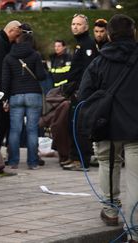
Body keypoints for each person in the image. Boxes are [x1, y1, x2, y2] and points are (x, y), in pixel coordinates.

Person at [78, 14, 138, 242]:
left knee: (107, 164)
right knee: (135, 178)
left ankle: (111, 211)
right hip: (135, 129)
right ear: (133, 32)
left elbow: (85, 95)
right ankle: (134, 230)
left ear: (110, 35)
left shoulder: (99, 60)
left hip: (105, 126)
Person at [1, 30, 46, 170]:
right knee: (32, 130)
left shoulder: (9, 57)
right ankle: (32, 163)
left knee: (15, 130)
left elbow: (5, 80)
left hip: (15, 96)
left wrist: (5, 99)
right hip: (33, 95)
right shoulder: (35, 55)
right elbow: (41, 76)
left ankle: (14, 162)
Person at [61, 13, 98, 171]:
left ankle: (81, 160)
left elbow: (88, 71)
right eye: (73, 23)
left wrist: (79, 90)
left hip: (82, 93)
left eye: (78, 24)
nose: (75, 26)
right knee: (73, 125)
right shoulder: (80, 44)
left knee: (79, 127)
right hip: (76, 91)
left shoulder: (88, 44)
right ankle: (78, 156)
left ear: (86, 27)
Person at [0, 20, 22, 158]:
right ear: (11, 30)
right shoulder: (0, 42)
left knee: (2, 122)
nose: (16, 39)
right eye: (16, 35)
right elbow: (4, 67)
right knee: (0, 122)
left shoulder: (1, 40)